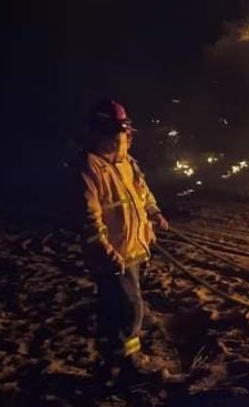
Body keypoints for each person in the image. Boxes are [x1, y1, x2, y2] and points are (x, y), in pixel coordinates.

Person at [77, 99, 169, 378]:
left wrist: (154, 213)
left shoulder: (127, 163)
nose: (122, 139)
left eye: (124, 133)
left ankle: (110, 348)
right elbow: (89, 219)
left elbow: (142, 192)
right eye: (117, 134)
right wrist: (106, 252)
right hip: (112, 252)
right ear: (100, 133)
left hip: (133, 245)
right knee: (130, 307)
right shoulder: (89, 168)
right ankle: (131, 358)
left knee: (115, 302)